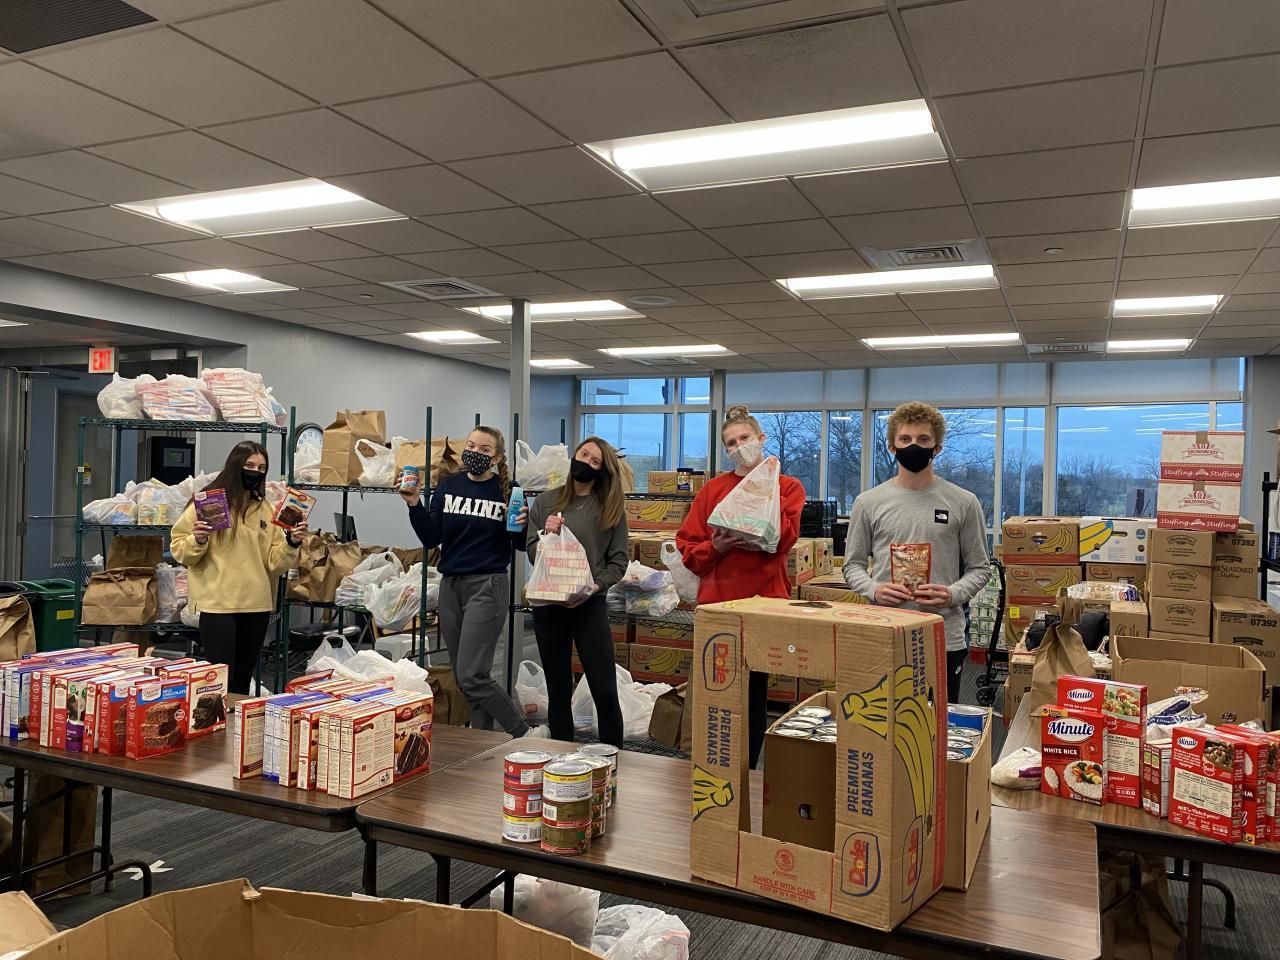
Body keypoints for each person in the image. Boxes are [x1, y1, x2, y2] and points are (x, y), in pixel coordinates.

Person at [675, 405, 806, 768]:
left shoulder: (788, 486)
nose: (738, 447)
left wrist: (766, 488)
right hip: (719, 605)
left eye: (744, 438)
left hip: (765, 603)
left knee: (754, 692)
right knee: (714, 688)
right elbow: (689, 550)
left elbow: (784, 541)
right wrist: (716, 546)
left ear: (761, 439)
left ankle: (746, 768)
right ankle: (710, 766)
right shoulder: (713, 490)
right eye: (731, 443)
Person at [843, 401, 991, 705]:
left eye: (923, 439)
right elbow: (852, 566)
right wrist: (874, 589)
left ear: (937, 447)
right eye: (905, 439)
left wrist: (952, 594)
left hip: (942, 634)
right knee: (880, 717)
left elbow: (980, 568)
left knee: (937, 721)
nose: (914, 446)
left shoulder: (963, 502)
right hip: (885, 629)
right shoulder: (868, 503)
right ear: (892, 447)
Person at [403, 426, 533, 736]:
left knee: (472, 674)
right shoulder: (448, 486)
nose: (475, 453)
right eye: (471, 446)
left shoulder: (508, 490)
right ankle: (482, 739)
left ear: (497, 458)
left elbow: (518, 545)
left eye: (484, 449)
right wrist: (414, 504)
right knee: (465, 677)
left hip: (487, 585)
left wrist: (524, 525)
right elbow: (432, 537)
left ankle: (522, 731)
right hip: (451, 586)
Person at [171, 441, 305, 694]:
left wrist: (291, 543)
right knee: (220, 681)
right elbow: (180, 551)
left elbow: (275, 563)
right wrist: (198, 540)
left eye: (262, 468)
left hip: (257, 605)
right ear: (235, 465)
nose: (256, 472)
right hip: (218, 605)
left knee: (242, 680)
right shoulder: (209, 504)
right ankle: (217, 720)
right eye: (249, 465)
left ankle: (238, 720)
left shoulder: (265, 509)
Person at [526, 437, 629, 747]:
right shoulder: (545, 502)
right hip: (549, 606)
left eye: (595, 461)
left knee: (604, 690)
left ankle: (612, 758)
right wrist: (547, 537)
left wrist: (596, 586)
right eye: (583, 454)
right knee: (558, 691)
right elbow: (531, 551)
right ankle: (561, 758)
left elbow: (618, 560)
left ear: (602, 471)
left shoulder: (609, 508)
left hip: (589, 606)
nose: (586, 462)